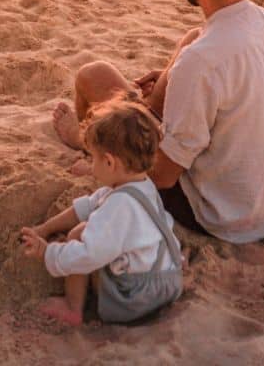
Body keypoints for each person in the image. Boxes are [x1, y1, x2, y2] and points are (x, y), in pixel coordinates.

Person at [51, 0, 264, 244]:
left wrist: (125, 136)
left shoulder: (202, 61)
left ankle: (89, 144)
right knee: (190, 39)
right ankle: (144, 109)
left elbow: (162, 176)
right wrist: (172, 83)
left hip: (228, 216)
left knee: (92, 76)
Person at [22, 99, 183, 326]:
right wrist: (44, 229)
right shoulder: (142, 186)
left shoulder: (119, 208)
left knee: (78, 235)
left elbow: (88, 255)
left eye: (93, 158)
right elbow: (86, 206)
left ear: (109, 162)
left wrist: (47, 252)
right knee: (87, 223)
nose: (91, 165)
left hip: (135, 297)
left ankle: (72, 307)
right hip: (169, 278)